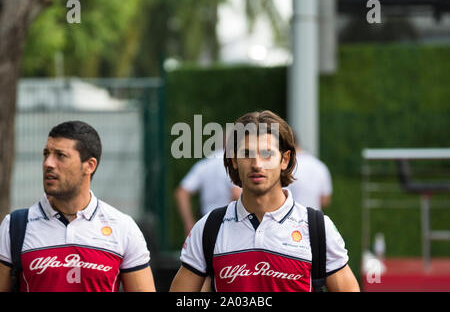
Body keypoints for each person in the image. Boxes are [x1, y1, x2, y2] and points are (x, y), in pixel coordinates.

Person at [170, 110, 359, 292]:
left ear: (284, 160)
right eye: (246, 154)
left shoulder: (317, 228)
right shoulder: (208, 228)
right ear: (234, 160)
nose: (257, 164)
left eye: (267, 154)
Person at [0, 121, 156, 292]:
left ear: (89, 165)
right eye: (46, 154)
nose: (48, 163)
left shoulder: (122, 227)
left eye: (60, 155)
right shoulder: (14, 226)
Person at [175, 149, 241, 237]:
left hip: (206, 226)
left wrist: (189, 224)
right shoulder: (234, 162)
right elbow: (237, 194)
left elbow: (181, 193)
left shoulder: (205, 163)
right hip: (230, 227)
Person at [287, 137, 333, 210]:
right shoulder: (320, 166)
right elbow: (325, 200)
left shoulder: (287, 167)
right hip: (314, 218)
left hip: (290, 218)